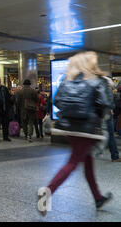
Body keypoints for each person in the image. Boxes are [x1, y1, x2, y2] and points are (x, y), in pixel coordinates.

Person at [39, 52, 113, 216]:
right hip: (87, 129)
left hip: (69, 128)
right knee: (73, 162)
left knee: (87, 162)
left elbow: (57, 101)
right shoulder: (97, 80)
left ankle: (98, 197)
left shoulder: (67, 81)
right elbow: (105, 104)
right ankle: (48, 191)